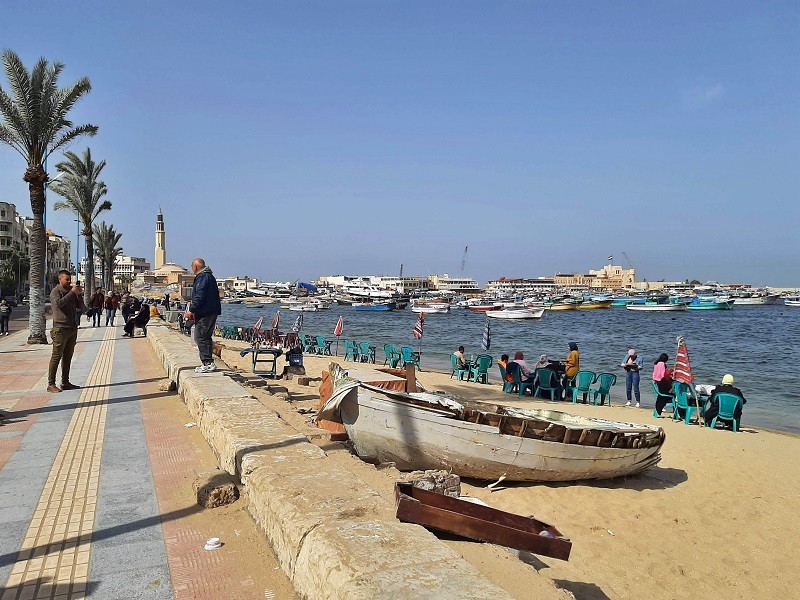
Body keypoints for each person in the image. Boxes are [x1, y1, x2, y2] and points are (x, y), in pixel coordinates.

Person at [48, 270, 85, 393]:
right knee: (56, 356)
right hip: (60, 328)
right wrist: (71, 293)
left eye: (70, 280)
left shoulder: (72, 292)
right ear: (60, 279)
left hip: (72, 328)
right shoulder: (55, 292)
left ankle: (65, 381)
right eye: (67, 280)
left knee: (68, 356)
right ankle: (51, 384)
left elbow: (82, 308)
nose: (69, 282)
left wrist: (79, 295)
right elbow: (58, 304)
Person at [186, 258, 222, 373]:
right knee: (205, 337)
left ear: (195, 267)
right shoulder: (209, 276)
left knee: (200, 337)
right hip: (212, 311)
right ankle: (209, 362)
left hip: (205, 312)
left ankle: (208, 363)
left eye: (192, 267)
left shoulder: (202, 277)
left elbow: (199, 295)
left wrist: (191, 310)